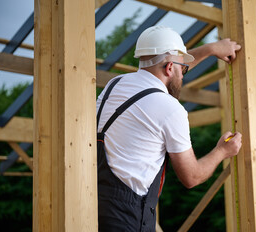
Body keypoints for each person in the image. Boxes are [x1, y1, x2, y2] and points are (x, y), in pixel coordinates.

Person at [96, 25, 242, 232]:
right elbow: (191, 177)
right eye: (183, 70)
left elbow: (168, 66)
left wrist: (210, 49)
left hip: (95, 211)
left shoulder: (114, 85)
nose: (183, 75)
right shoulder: (171, 109)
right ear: (169, 68)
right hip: (129, 220)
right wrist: (222, 151)